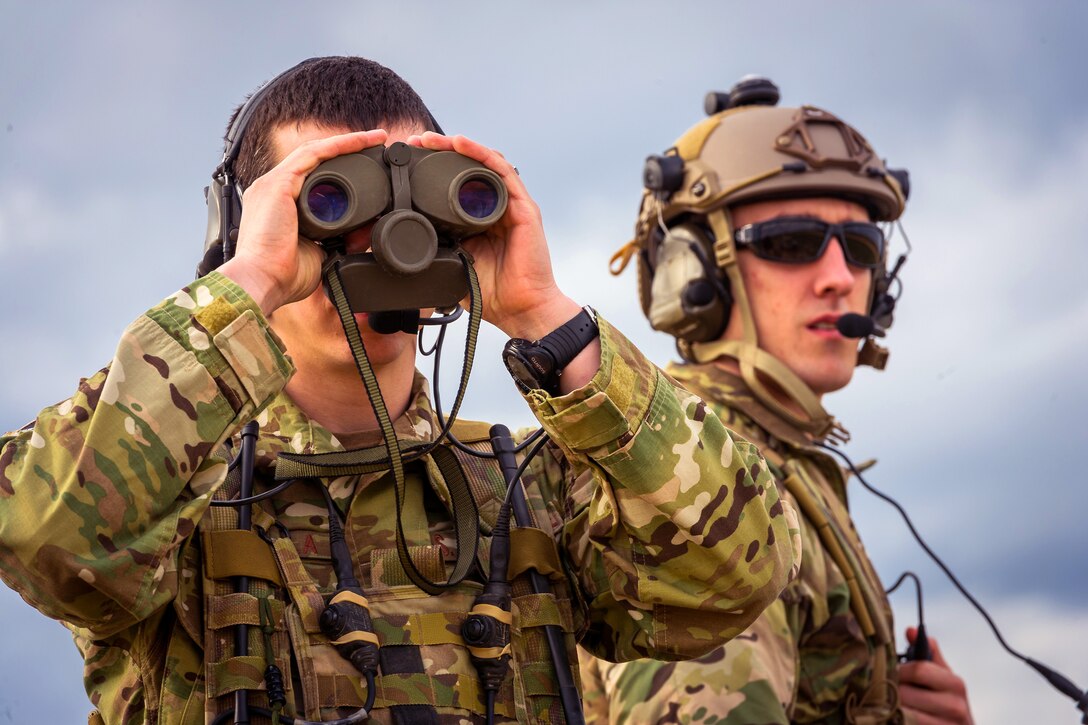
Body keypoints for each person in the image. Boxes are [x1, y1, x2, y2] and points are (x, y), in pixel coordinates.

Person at [0, 57, 799, 725]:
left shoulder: (530, 488)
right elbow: (43, 539)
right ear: (240, 225)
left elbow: (730, 577)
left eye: (415, 204)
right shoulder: (167, 493)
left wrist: (541, 314)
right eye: (330, 203)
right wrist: (250, 279)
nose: (377, 243)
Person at [581, 77, 974, 724]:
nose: (839, 279)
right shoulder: (690, 478)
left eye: (860, 248)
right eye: (791, 243)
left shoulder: (772, 457)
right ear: (692, 270)